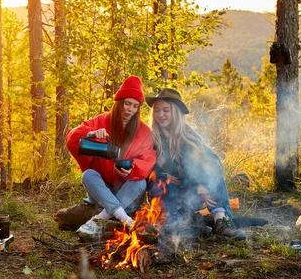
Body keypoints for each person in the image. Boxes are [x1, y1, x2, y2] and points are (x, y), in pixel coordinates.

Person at [146, 88, 246, 240]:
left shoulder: (189, 137)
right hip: (167, 197)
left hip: (191, 195)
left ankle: (221, 221)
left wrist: (201, 183)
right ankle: (175, 226)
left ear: (176, 113)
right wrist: (159, 173)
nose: (161, 115)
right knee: (161, 183)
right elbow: (143, 165)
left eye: (166, 110)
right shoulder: (151, 137)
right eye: (157, 111)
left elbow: (213, 163)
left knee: (213, 176)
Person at [66, 76, 157, 237]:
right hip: (102, 191)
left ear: (138, 109)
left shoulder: (143, 132)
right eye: (127, 103)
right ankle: (126, 220)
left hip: (126, 193)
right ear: (119, 103)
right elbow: (72, 137)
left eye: (135, 106)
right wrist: (90, 133)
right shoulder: (101, 121)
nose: (130, 109)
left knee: (140, 183)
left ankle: (101, 218)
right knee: (89, 175)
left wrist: (132, 169)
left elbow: (148, 160)